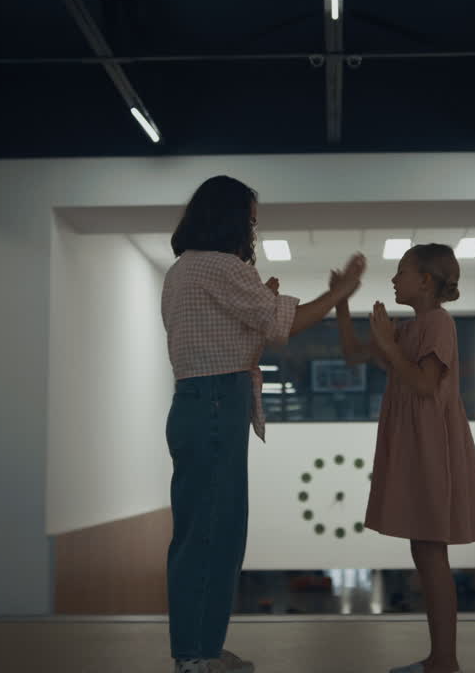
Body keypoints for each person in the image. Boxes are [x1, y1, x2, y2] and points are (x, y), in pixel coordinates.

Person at [161, 175, 365, 673]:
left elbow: (250, 339)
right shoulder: (219, 265)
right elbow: (284, 326)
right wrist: (340, 291)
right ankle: (194, 656)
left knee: (216, 532)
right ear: (229, 218)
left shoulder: (185, 269)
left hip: (205, 403)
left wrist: (268, 306)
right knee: (211, 534)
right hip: (214, 403)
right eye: (250, 220)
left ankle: (203, 648)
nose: (252, 231)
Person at [333, 243, 475, 673]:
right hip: (415, 443)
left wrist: (387, 341)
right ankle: (441, 658)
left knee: (431, 552)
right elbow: (352, 354)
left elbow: (423, 383)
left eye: (401, 272)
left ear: (425, 281)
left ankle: (445, 660)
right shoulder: (410, 326)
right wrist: (342, 304)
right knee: (425, 551)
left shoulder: (438, 324)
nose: (393, 279)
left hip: (432, 444)